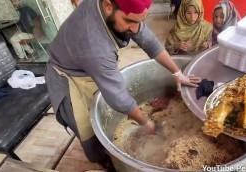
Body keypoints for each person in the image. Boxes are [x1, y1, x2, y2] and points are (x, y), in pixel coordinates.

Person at [44, 0, 200, 170]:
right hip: (70, 82)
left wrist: (177, 73)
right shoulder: (94, 44)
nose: (135, 29)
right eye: (129, 21)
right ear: (108, 6)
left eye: (141, 20)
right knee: (91, 139)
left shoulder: (122, 12)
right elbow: (117, 97)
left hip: (90, 67)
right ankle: (107, 163)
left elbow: (147, 38)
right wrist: (146, 123)